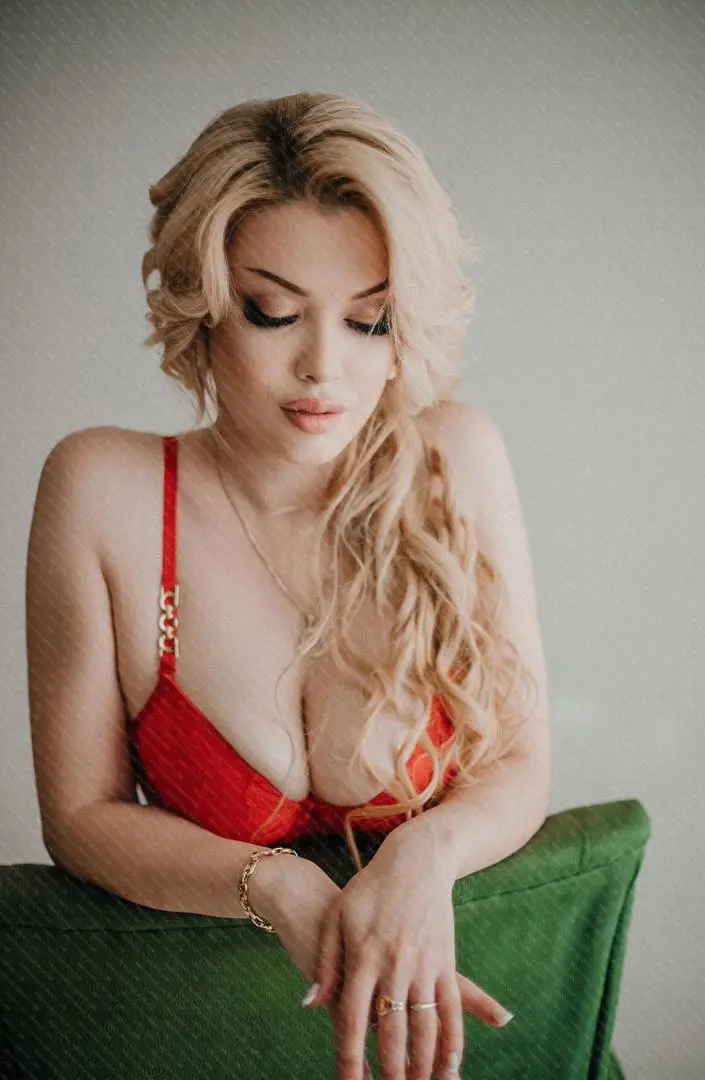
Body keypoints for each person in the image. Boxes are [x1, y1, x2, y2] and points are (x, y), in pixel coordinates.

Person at [26, 91, 551, 1080]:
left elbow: (523, 762)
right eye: (272, 312)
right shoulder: (102, 488)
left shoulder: (455, 458)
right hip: (192, 1046)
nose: (323, 368)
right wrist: (275, 884)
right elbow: (82, 817)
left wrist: (424, 856)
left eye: (369, 320)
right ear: (203, 305)